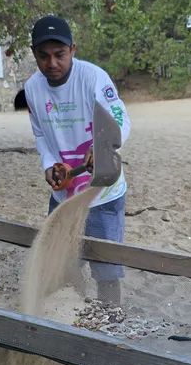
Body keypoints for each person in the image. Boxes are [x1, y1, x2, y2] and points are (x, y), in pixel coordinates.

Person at [24, 15, 131, 305]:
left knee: (106, 272)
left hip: (103, 193)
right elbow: (41, 136)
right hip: (64, 195)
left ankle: (112, 323)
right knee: (60, 266)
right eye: (43, 56)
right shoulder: (32, 89)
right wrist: (49, 166)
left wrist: (104, 146)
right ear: (34, 55)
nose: (52, 63)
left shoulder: (93, 78)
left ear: (73, 49)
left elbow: (121, 119)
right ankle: (72, 319)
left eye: (59, 55)